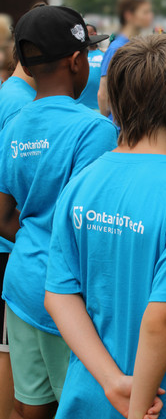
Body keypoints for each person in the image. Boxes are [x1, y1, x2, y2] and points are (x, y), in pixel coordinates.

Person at [44, 35, 166, 419]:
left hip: (91, 395)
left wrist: (112, 382)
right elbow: (162, 316)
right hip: (165, 402)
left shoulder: (80, 183)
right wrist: (137, 403)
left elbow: (59, 296)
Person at [0, 5, 120, 419]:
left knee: (27, 408)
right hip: (66, 299)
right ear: (76, 61)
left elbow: (2, 215)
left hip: (19, 287)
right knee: (79, 408)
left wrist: (37, 238)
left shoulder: (13, 125)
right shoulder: (95, 130)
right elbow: (91, 228)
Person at [0, 42, 36, 419]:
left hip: (11, 243)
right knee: (8, 355)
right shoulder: (21, 103)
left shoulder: (9, 92)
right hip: (11, 245)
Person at [98, 0, 153, 117]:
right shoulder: (116, 48)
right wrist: (108, 124)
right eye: (145, 12)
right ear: (129, 15)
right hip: (120, 128)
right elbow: (103, 94)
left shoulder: (136, 44)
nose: (150, 16)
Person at [77, 24, 104, 111]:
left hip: (98, 107)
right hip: (80, 105)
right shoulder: (79, 56)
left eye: (92, 34)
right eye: (87, 34)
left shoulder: (104, 56)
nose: (90, 37)